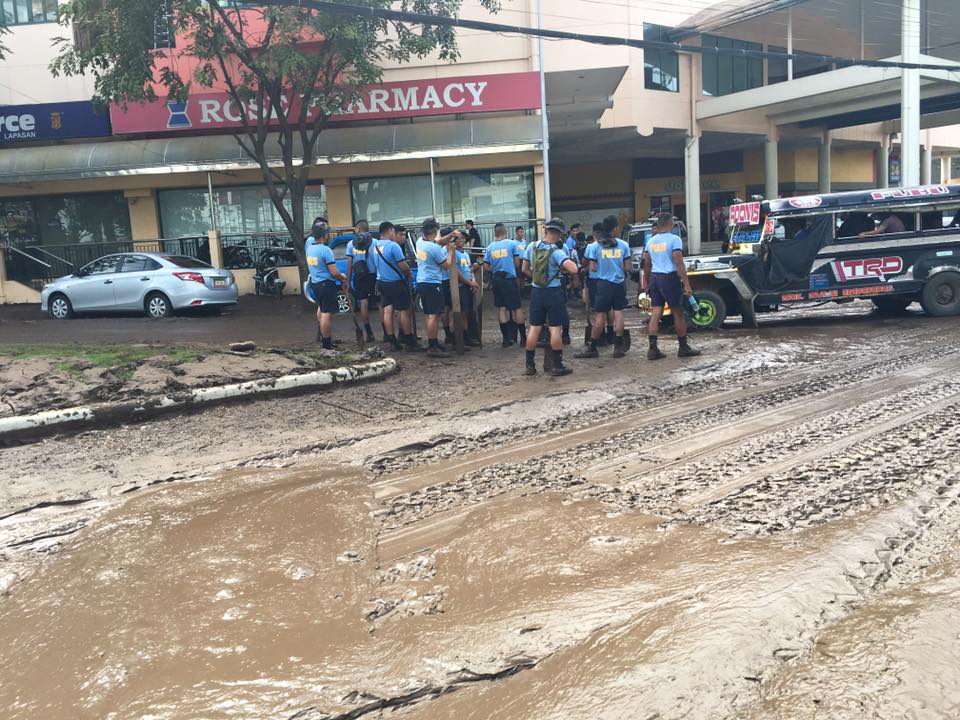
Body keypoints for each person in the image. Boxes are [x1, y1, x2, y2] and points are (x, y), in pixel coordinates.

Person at [521, 218, 580, 376]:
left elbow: (524, 268)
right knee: (555, 329)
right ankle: (557, 365)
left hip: (536, 292)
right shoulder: (557, 251)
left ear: (546, 230)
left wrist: (536, 278)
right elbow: (574, 269)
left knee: (534, 328)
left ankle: (529, 365)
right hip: (553, 293)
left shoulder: (531, 246)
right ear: (560, 234)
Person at [643, 212, 701, 360]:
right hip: (669, 279)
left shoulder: (651, 241)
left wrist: (648, 283)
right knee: (678, 313)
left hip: (655, 278)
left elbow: (647, 264)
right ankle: (683, 347)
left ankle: (652, 349)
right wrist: (687, 285)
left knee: (656, 313)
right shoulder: (675, 239)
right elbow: (678, 262)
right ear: (670, 224)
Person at [577, 215, 631, 359]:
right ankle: (617, 348)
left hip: (603, 285)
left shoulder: (595, 246)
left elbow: (592, 268)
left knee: (600, 315)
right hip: (619, 284)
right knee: (618, 313)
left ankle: (593, 347)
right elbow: (627, 268)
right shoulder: (623, 245)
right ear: (614, 228)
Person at [374, 221, 419, 352]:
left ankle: (392, 341)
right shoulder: (393, 246)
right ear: (390, 231)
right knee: (404, 310)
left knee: (388, 311)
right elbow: (403, 265)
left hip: (382, 282)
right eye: (393, 231)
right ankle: (409, 339)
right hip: (396, 283)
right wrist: (409, 273)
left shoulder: (375, 246)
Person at [416, 218, 457, 358]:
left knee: (429, 314)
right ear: (434, 230)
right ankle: (432, 347)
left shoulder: (420, 242)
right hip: (433, 283)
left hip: (421, 281)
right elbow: (446, 265)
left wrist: (450, 236)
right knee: (435, 315)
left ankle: (432, 342)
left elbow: (438, 241)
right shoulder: (434, 249)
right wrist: (451, 251)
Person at [305, 221, 349, 350]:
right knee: (327, 313)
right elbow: (334, 272)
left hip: (316, 284)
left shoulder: (310, 249)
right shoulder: (325, 250)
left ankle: (324, 336)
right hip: (326, 284)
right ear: (325, 234)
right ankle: (327, 343)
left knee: (321, 309)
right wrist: (343, 277)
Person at [484, 222, 526, 347]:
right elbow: (517, 264)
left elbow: (486, 266)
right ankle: (523, 338)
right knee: (516, 307)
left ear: (495, 233)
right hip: (509, 279)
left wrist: (496, 270)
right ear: (505, 232)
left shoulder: (490, 247)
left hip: (497, 280)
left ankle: (506, 339)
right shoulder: (511, 244)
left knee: (502, 308)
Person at [345, 219, 378, 343]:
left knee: (363, 303)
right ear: (368, 229)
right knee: (380, 305)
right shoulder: (375, 243)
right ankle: (387, 333)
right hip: (374, 276)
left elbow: (349, 264)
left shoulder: (350, 244)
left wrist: (347, 280)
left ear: (358, 229)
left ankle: (369, 333)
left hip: (359, 278)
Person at [454, 232, 481, 347]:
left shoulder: (465, 254)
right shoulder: (454, 253)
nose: (461, 240)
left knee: (468, 312)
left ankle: (467, 337)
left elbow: (469, 269)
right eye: (458, 238)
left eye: (463, 238)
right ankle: (462, 337)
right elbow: (457, 272)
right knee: (462, 313)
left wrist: (473, 282)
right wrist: (470, 282)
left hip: (468, 285)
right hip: (460, 286)